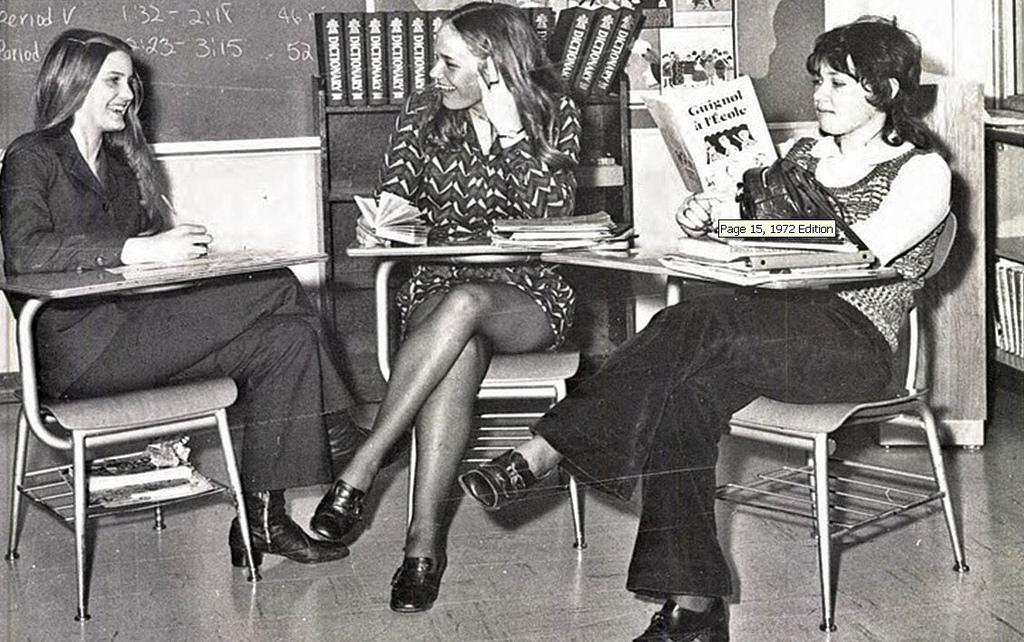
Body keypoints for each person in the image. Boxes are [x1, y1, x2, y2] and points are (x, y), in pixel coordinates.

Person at [458, 16, 950, 642]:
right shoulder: (804, 156)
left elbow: (855, 254)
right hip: (770, 331)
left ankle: (549, 448)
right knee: (683, 396)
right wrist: (711, 215)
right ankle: (694, 608)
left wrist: (765, 226)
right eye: (818, 81)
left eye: (838, 84)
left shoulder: (922, 172)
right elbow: (756, 234)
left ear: (885, 90)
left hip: (852, 344)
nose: (820, 96)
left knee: (689, 320)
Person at [0, 29, 366, 569]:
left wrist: (186, 261)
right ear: (73, 83)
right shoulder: (32, 155)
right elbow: (26, 252)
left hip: (132, 336)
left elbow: (137, 268)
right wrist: (141, 250)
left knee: (287, 340)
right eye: (114, 81)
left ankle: (261, 521)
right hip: (79, 355)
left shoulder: (120, 165)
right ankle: (340, 434)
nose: (128, 93)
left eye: (131, 82)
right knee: (277, 285)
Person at [307, 2, 580, 613]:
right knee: (457, 346)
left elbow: (554, 216)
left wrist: (512, 136)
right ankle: (422, 545)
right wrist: (385, 222)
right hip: (437, 286)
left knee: (466, 302)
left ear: (494, 66)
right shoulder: (422, 111)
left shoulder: (553, 111)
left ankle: (364, 463)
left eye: (449, 63)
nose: (434, 73)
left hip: (526, 293)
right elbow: (395, 197)